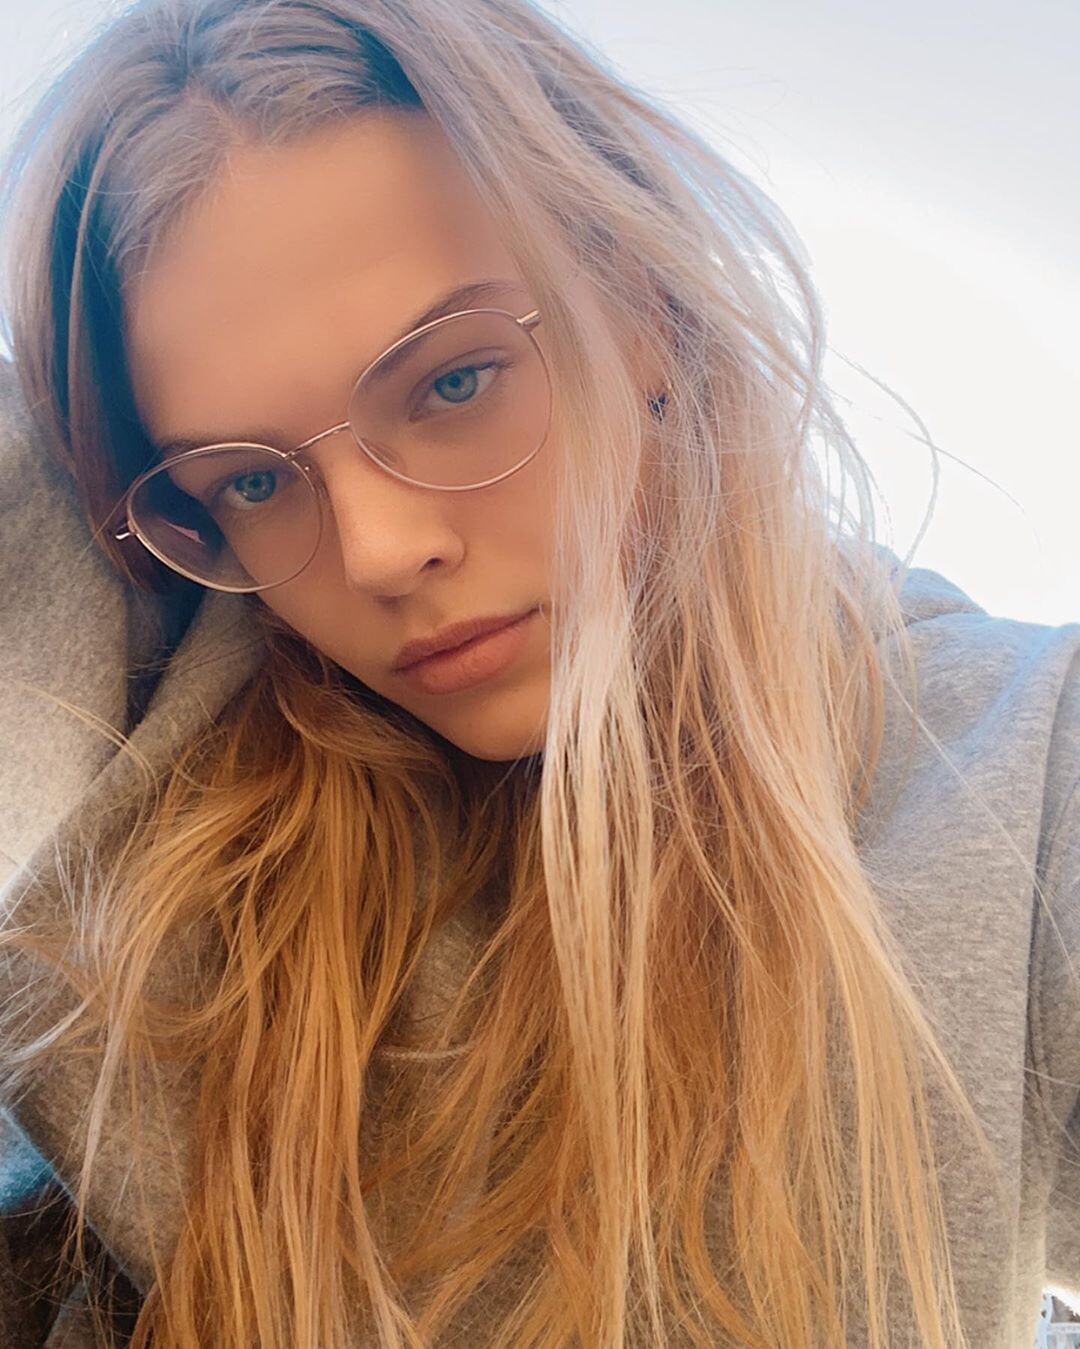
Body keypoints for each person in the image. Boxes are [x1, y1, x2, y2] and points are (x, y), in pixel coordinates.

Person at [0, 0, 1076, 1345]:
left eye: (454, 382)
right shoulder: (165, 734)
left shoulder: (1019, 774)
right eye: (255, 481)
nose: (379, 549)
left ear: (642, 302)